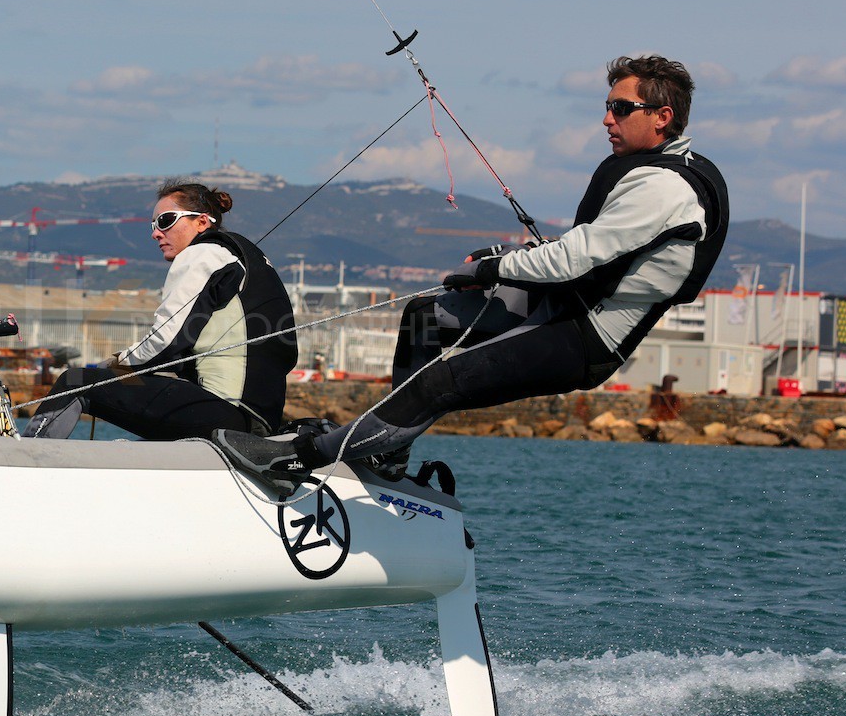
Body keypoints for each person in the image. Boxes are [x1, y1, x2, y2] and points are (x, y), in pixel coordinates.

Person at [215, 54, 728, 490]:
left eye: (621, 108)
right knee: (423, 318)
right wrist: (504, 256)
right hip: (559, 306)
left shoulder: (666, 189)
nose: (606, 119)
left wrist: (494, 266)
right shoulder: (652, 173)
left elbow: (576, 259)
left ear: (663, 116)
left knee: (440, 382)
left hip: (585, 338)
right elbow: (585, 252)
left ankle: (297, 460)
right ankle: (385, 455)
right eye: (606, 107)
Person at [24, 179, 298, 441]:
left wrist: (117, 364)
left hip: (223, 412)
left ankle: (23, 460)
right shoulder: (250, 259)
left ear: (201, 221)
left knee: (75, 381)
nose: (156, 232)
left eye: (166, 221)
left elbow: (168, 340)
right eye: (153, 224)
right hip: (259, 420)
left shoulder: (203, 254)